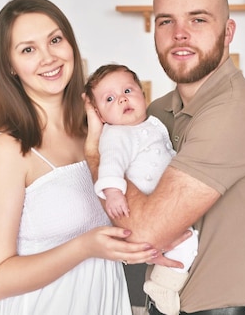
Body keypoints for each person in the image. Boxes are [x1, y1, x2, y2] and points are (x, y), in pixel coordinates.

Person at [84, 0, 245, 315]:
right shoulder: (156, 113)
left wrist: (92, 151)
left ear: (228, 32)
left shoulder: (235, 113)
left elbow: (143, 232)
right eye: (166, 22)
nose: (180, 34)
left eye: (197, 19)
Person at [0, 0, 160, 315]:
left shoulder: (99, 133)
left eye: (55, 40)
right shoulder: (6, 149)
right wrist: (86, 247)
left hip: (105, 301)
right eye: (28, 49)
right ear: (10, 65)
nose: (48, 58)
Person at [84, 63, 199, 315]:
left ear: (142, 93)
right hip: (149, 203)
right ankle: (162, 286)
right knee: (189, 243)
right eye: (110, 98)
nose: (122, 98)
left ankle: (163, 275)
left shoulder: (153, 123)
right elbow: (110, 163)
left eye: (128, 90)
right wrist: (112, 191)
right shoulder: (117, 135)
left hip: (163, 198)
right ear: (101, 116)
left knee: (188, 240)